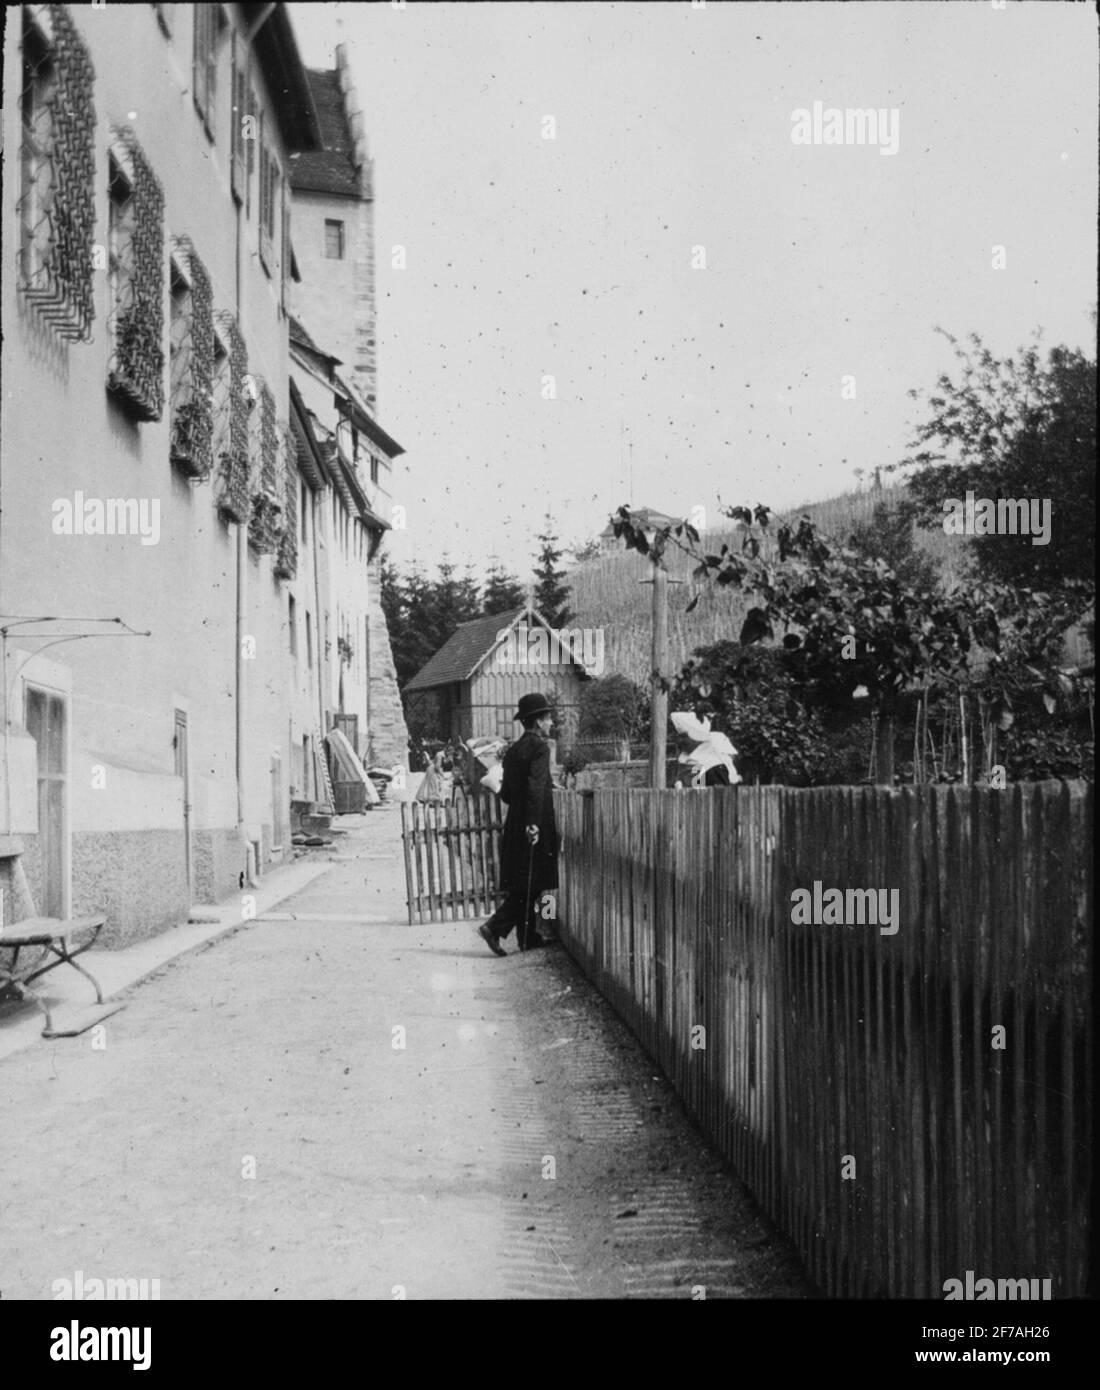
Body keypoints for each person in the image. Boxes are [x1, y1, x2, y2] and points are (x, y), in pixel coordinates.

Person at [477, 692, 559, 956]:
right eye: (548, 719)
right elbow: (535, 787)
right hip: (534, 825)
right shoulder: (540, 748)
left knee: (528, 880)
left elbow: (508, 795)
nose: (551, 724)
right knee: (533, 883)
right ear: (537, 722)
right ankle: (494, 927)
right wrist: (534, 822)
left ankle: (528, 937)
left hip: (515, 823)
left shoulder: (512, 752)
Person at [671, 711, 742, 788]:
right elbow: (697, 788)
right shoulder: (687, 759)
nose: (680, 741)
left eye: (683, 737)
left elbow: (728, 762)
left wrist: (734, 778)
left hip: (716, 775)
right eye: (680, 737)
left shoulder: (715, 743)